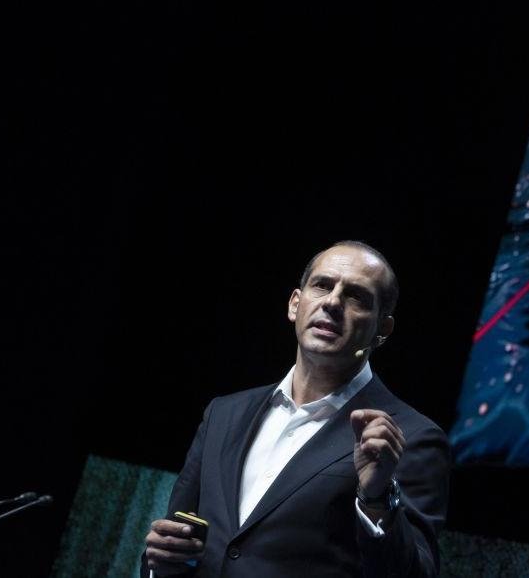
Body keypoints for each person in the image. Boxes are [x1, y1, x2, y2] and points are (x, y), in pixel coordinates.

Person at [142, 241, 450, 577]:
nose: (332, 302)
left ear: (382, 330)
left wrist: (377, 498)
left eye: (356, 296)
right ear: (295, 304)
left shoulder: (411, 436)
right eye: (322, 285)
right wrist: (160, 562)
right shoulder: (223, 414)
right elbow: (171, 547)